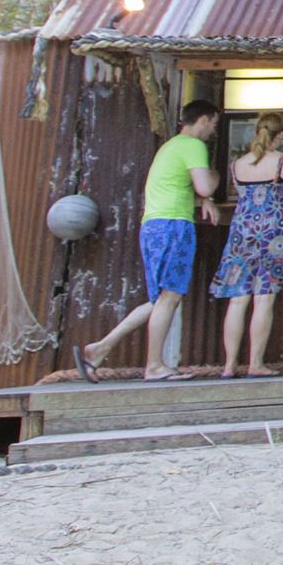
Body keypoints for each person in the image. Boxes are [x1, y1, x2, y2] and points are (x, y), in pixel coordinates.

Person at [83, 100, 221, 379]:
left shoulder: (169, 147)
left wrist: (201, 199)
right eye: (214, 124)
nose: (213, 131)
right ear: (204, 120)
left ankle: (101, 347)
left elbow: (180, 186)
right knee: (170, 296)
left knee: (160, 298)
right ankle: (155, 365)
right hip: (173, 225)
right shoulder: (193, 146)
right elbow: (205, 184)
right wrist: (214, 181)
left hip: (153, 225)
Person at [211, 113, 283, 379]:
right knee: (263, 298)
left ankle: (230, 365)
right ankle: (255, 363)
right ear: (280, 136)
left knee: (237, 299)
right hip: (273, 236)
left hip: (242, 234)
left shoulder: (237, 165)